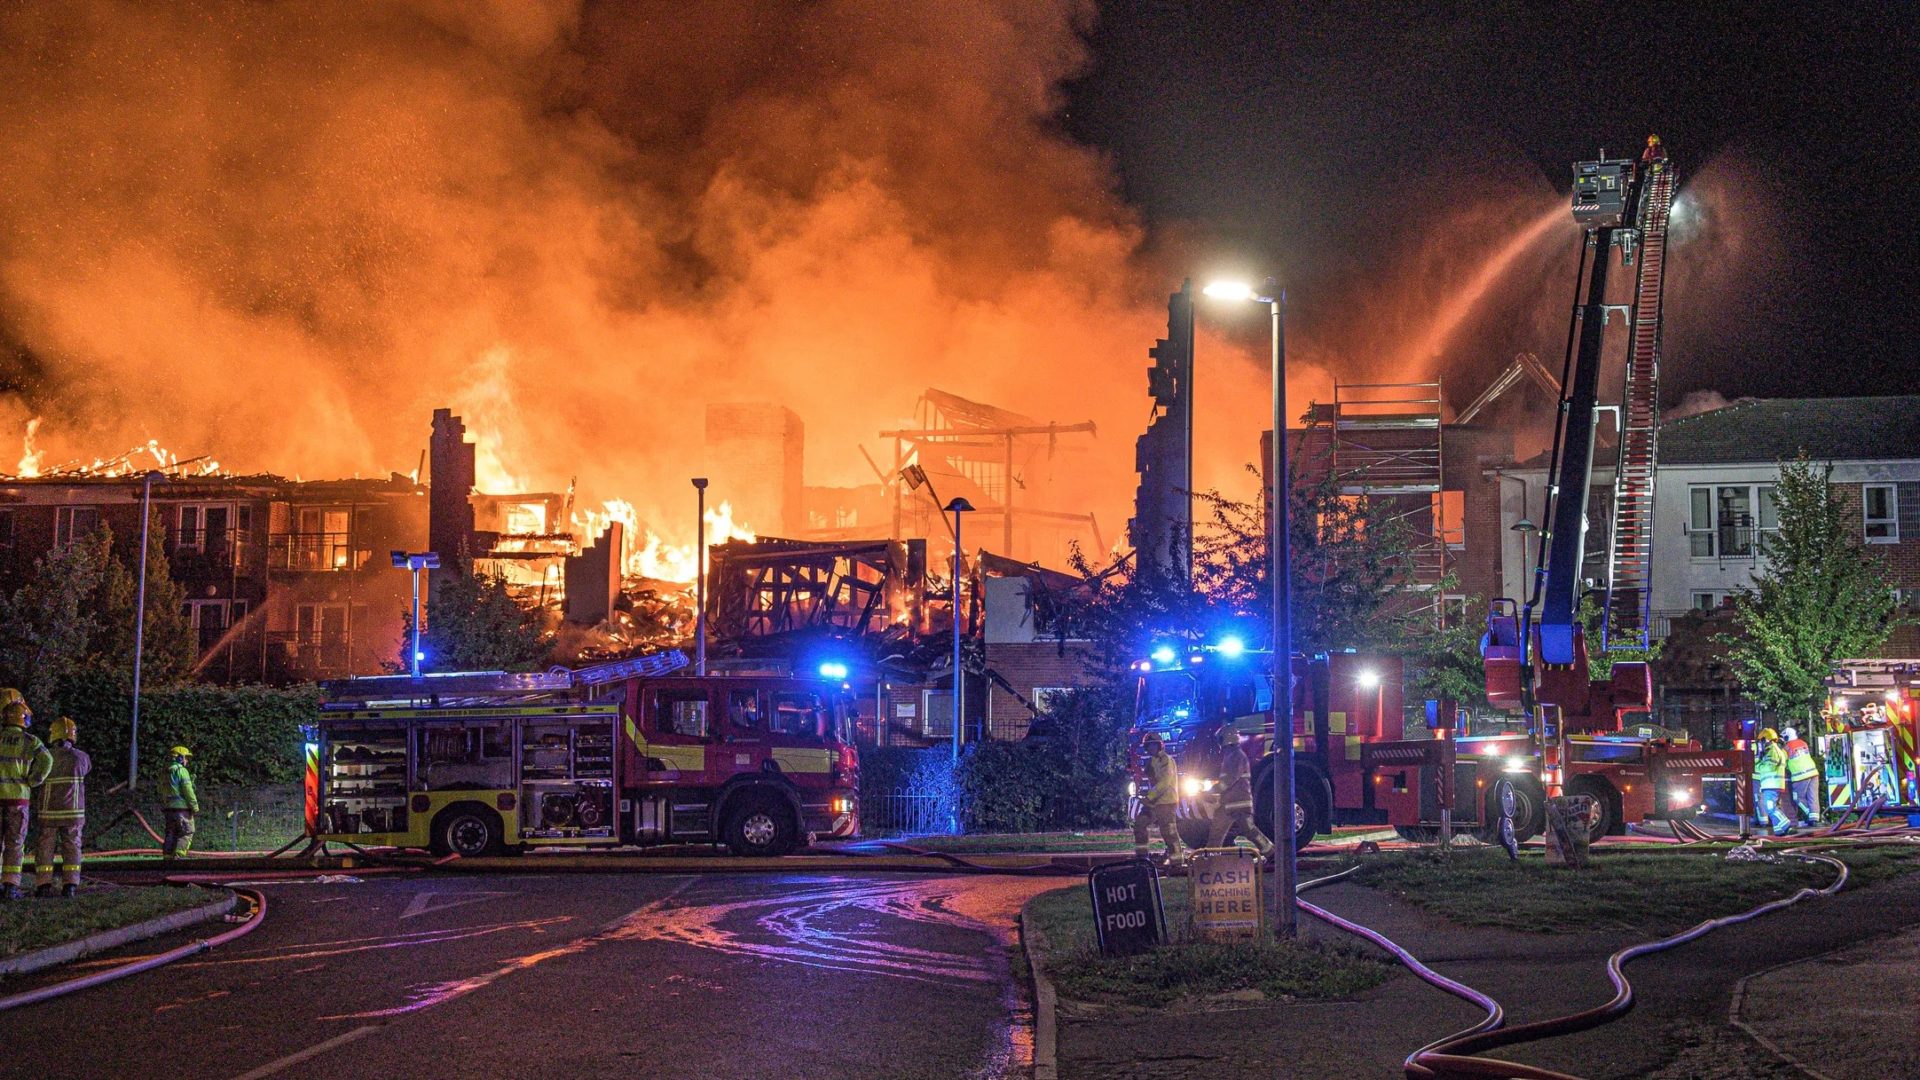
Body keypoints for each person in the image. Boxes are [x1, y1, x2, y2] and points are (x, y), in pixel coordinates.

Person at [0, 697, 54, 900]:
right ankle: (11, 886)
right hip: (18, 799)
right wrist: (34, 780)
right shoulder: (30, 741)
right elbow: (47, 759)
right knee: (15, 843)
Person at [34, 717, 90, 898]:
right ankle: (70, 886)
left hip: (48, 811)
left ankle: (43, 885)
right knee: (72, 847)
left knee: (45, 847)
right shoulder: (82, 757)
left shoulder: (45, 756)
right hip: (74, 812)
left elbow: (36, 777)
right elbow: (87, 770)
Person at [1203, 725, 1274, 858]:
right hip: (1230, 803)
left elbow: (1227, 781)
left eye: (1220, 739)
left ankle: (1271, 853)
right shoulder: (1232, 756)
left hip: (1237, 804)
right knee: (1218, 832)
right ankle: (1211, 859)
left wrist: (1210, 791)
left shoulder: (1235, 756)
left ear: (1226, 739)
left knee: (1246, 831)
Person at [1131, 733, 1186, 864]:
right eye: (1148, 746)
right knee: (1139, 824)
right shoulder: (1151, 762)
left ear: (1159, 746)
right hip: (1153, 802)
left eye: (1153, 745)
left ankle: (1177, 861)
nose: (1151, 748)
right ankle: (1142, 858)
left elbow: (1164, 783)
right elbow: (1148, 780)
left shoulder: (1166, 760)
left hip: (1166, 802)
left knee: (1169, 832)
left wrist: (1149, 797)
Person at [1752, 728, 1791, 837]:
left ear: (1765, 739)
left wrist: (1756, 766)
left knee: (1769, 807)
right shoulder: (1775, 750)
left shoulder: (1772, 750)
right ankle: (1779, 831)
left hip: (1771, 784)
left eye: (1761, 741)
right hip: (1773, 784)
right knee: (1773, 806)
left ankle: (1785, 824)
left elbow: (1769, 767)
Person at [163, 745, 199, 858]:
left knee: (171, 833)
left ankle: (167, 858)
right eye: (185, 757)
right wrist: (194, 806)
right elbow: (188, 791)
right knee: (187, 832)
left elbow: (160, 789)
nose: (187, 760)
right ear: (179, 757)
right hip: (182, 809)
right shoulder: (181, 771)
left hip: (169, 809)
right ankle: (179, 857)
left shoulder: (165, 772)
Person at [1782, 726, 1821, 828]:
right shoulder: (1803, 743)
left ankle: (1809, 813)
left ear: (1786, 737)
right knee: (1813, 796)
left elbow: (1782, 763)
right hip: (1813, 772)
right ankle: (1814, 819)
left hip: (1800, 776)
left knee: (1797, 797)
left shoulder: (1786, 748)